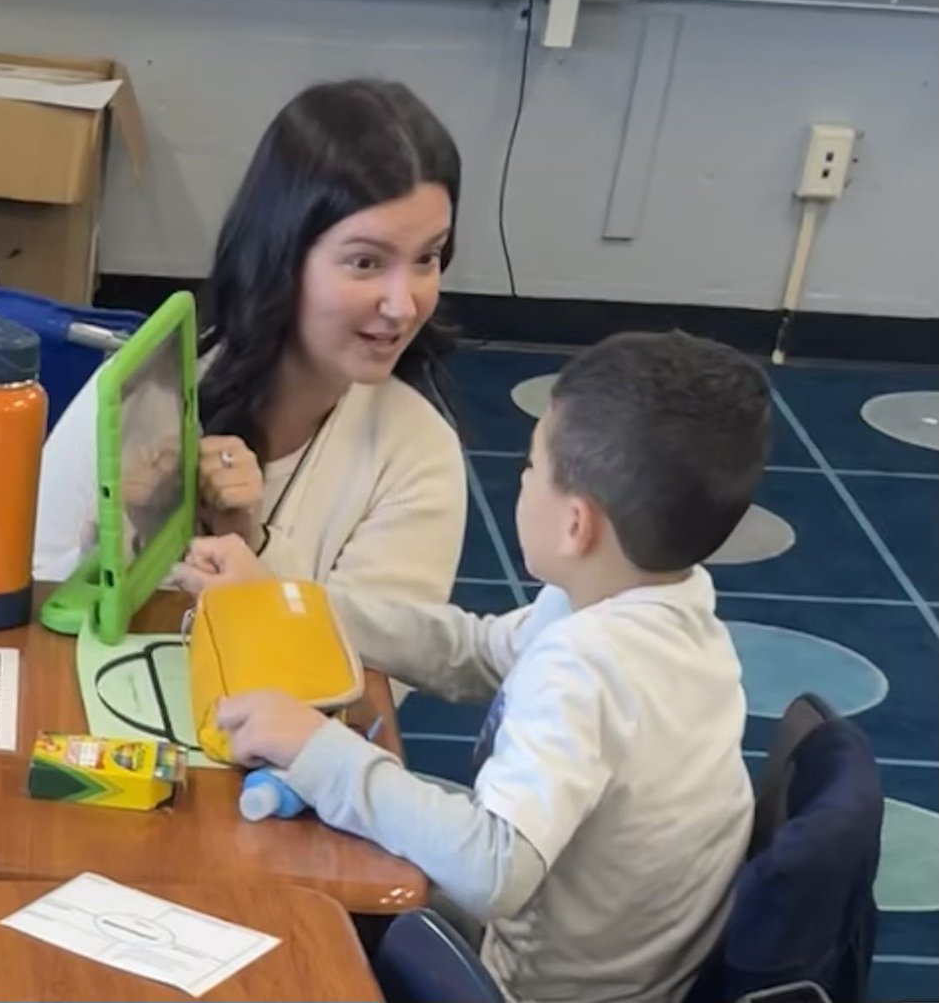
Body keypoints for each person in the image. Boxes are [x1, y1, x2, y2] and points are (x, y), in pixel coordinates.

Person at [182, 331, 771, 1003]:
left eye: (531, 466)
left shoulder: (590, 666)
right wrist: (280, 589)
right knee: (343, 810)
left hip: (524, 989)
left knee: (284, 891)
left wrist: (316, 748)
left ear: (576, 525)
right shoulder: (665, 608)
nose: (520, 479)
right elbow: (470, 652)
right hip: (614, 953)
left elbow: (493, 868)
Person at [33, 79, 467, 619]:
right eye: (366, 262)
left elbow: (375, 680)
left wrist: (255, 548)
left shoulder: (419, 456)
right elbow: (35, 579)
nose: (403, 305)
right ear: (281, 255)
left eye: (428, 258)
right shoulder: (143, 394)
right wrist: (116, 543)